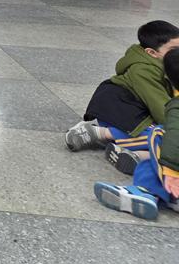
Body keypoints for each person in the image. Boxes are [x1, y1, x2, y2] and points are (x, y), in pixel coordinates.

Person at [66, 20, 179, 173]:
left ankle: (133, 155)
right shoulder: (143, 71)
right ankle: (100, 133)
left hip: (134, 113)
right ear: (152, 53)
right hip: (119, 111)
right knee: (168, 136)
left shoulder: (166, 63)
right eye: (174, 49)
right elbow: (161, 109)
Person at [93, 49, 179, 221]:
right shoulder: (142, 71)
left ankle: (147, 191)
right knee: (153, 158)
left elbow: (174, 136)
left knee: (160, 134)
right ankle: (154, 193)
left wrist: (172, 172)